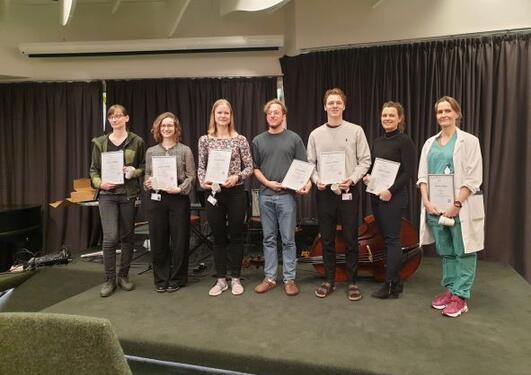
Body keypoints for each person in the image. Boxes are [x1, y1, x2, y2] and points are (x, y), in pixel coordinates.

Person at [417, 96, 485, 317]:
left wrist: (456, 204)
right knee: (446, 252)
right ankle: (450, 289)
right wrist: (426, 201)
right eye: (440, 112)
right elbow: (422, 177)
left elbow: (474, 179)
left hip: (460, 208)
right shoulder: (429, 143)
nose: (444, 115)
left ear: (457, 113)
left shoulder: (469, 141)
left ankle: (460, 296)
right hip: (436, 208)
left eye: (448, 111)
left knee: (463, 251)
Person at [307, 88, 371, 301]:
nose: (334, 106)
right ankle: (329, 280)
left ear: (344, 106)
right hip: (325, 194)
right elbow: (310, 164)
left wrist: (351, 180)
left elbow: (365, 161)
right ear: (325, 107)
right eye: (330, 103)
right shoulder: (315, 134)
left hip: (348, 192)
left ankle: (352, 282)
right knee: (326, 240)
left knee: (351, 238)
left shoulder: (356, 131)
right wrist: (317, 181)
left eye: (338, 102)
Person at [251, 99, 311, 296]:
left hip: (287, 197)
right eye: (270, 113)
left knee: (288, 239)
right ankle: (269, 278)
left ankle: (289, 279)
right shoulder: (258, 140)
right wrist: (268, 183)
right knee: (268, 239)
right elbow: (255, 169)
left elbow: (304, 167)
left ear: (283, 115)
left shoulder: (294, 139)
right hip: (266, 196)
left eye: (277, 112)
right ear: (266, 116)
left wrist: (306, 184)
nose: (273, 116)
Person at [197, 99, 253, 296]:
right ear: (214, 115)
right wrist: (202, 181)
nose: (223, 116)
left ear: (231, 116)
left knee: (236, 235)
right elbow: (201, 166)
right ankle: (221, 280)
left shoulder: (240, 140)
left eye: (226, 113)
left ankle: (236, 278)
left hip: (236, 192)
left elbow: (249, 167)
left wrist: (237, 176)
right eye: (219, 113)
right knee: (218, 237)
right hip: (214, 193)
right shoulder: (205, 140)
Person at [90, 104, 145, 297]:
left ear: (126, 118)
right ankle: (109, 279)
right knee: (110, 237)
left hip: (129, 194)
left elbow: (144, 166)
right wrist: (99, 183)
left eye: (119, 116)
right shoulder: (100, 142)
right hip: (107, 196)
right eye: (112, 117)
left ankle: (124, 276)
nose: (115, 120)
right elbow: (93, 170)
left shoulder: (137, 141)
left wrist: (134, 172)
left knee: (127, 237)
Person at [363, 101, 416, 299]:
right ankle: (397, 282)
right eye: (384, 115)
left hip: (393, 198)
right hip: (377, 196)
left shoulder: (405, 141)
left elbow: (408, 172)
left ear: (400, 118)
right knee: (386, 239)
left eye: (391, 115)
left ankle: (390, 284)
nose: (387, 118)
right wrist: (368, 177)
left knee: (392, 240)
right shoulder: (377, 141)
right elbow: (374, 168)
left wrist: (391, 191)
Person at [144, 112, 196, 293]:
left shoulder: (185, 150)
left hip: (178, 200)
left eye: (170, 126)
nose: (166, 128)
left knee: (180, 240)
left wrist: (180, 189)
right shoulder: (151, 151)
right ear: (158, 128)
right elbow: (147, 175)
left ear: (176, 129)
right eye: (163, 126)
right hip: (157, 200)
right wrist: (147, 182)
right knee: (158, 241)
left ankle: (178, 278)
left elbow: (191, 176)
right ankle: (161, 278)